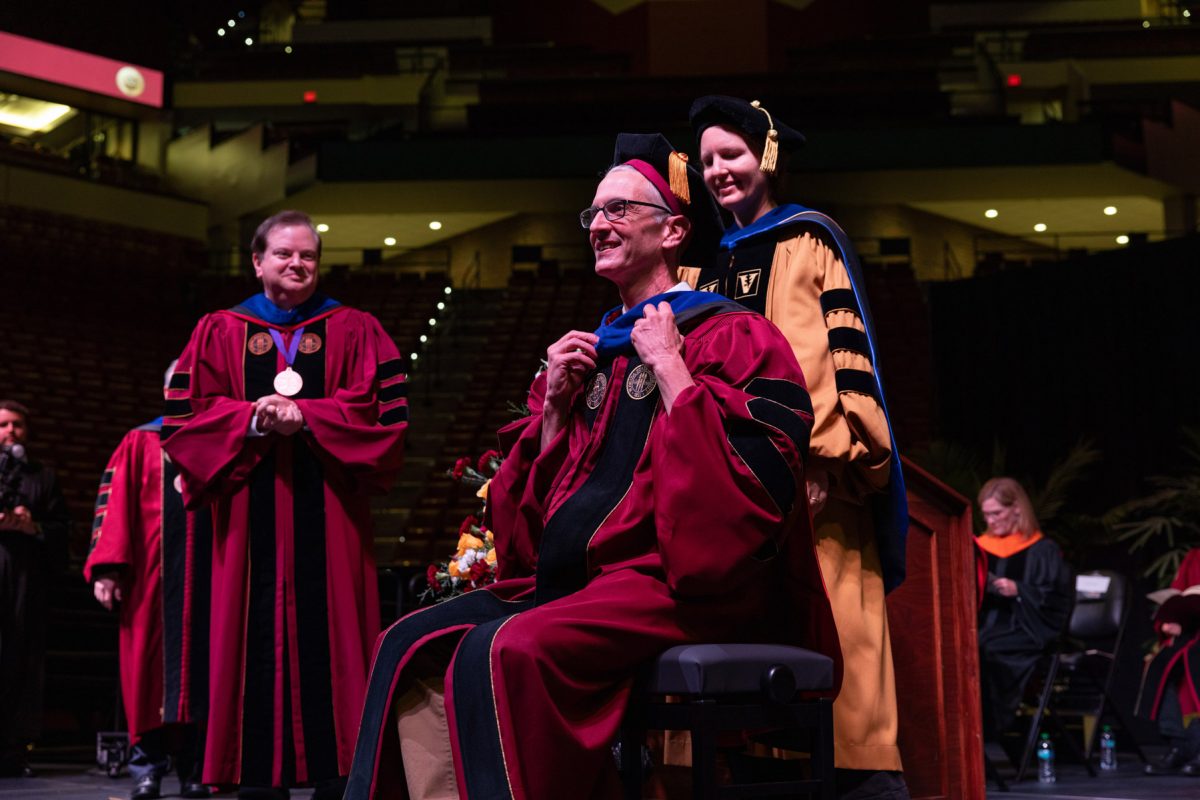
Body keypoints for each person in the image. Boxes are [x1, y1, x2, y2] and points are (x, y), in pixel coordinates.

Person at [341, 133, 841, 800]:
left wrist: (672, 370)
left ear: (674, 230)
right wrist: (552, 413)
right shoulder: (589, 355)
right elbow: (526, 540)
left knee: (506, 651)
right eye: (593, 214)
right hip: (585, 584)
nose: (599, 225)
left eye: (619, 210)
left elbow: (749, 504)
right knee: (408, 644)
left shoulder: (732, 336)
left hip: (678, 586)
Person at [683, 95, 909, 799]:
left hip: (817, 485)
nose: (720, 170)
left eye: (734, 154)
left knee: (842, 648)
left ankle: (866, 783)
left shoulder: (811, 239)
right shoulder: (703, 265)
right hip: (741, 497)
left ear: (767, 157)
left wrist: (827, 459)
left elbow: (838, 355)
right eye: (709, 159)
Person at [162, 210, 408, 799]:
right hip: (246, 519)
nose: (297, 265)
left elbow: (386, 417)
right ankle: (254, 779)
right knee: (244, 639)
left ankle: (340, 773)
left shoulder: (356, 329)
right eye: (284, 255)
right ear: (257, 260)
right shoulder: (218, 330)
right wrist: (250, 418)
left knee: (339, 641)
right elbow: (183, 420)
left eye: (308, 257)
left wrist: (309, 416)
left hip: (332, 515)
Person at [84, 363, 212, 800]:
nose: (188, 391)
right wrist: (106, 567)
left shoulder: (223, 441)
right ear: (164, 388)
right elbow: (113, 504)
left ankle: (197, 768)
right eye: (180, 383)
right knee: (146, 674)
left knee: (205, 672)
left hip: (208, 581)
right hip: (149, 583)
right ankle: (147, 767)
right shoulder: (140, 440)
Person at [0, 399, 70, 778]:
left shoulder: (43, 477)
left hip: (25, 581)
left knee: (19, 663)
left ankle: (11, 750)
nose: (11, 431)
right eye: (4, 425)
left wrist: (34, 527)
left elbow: (62, 530)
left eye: (18, 425)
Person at [975, 477, 1072, 739]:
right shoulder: (978, 547)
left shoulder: (1043, 550)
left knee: (985, 647)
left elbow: (1058, 599)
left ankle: (993, 728)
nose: (991, 521)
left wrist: (1020, 590)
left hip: (1026, 628)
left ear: (1016, 508)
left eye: (996, 513)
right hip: (985, 624)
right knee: (966, 645)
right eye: (986, 515)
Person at [1137, 547, 1200, 776]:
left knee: (1196, 659)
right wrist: (1170, 622)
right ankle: (1178, 744)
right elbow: (1178, 596)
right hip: (1191, 633)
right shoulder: (1194, 557)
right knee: (1162, 663)